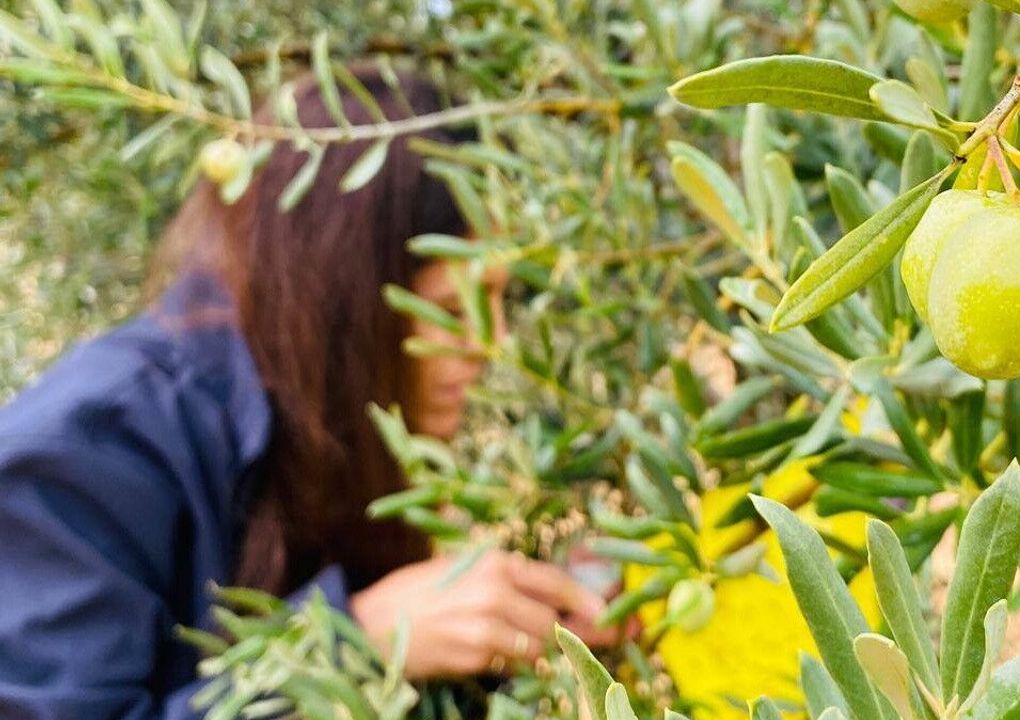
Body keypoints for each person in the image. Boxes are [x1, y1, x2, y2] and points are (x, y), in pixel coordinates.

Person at [0, 68, 614, 718]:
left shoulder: (319, 425)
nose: (491, 346)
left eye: (497, 300)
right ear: (343, 307)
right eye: (452, 309)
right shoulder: (83, 457)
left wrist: (532, 620)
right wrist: (353, 644)